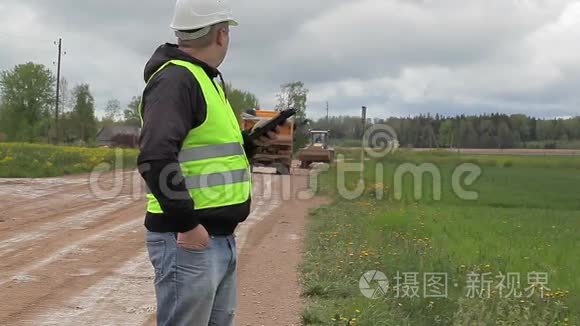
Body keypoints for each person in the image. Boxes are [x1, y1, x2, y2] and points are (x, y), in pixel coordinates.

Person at [138, 0, 277, 324]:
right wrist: (187, 225)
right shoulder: (178, 80)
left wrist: (251, 144)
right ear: (221, 34)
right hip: (188, 240)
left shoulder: (206, 79)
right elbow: (154, 156)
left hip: (216, 238)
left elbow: (208, 154)